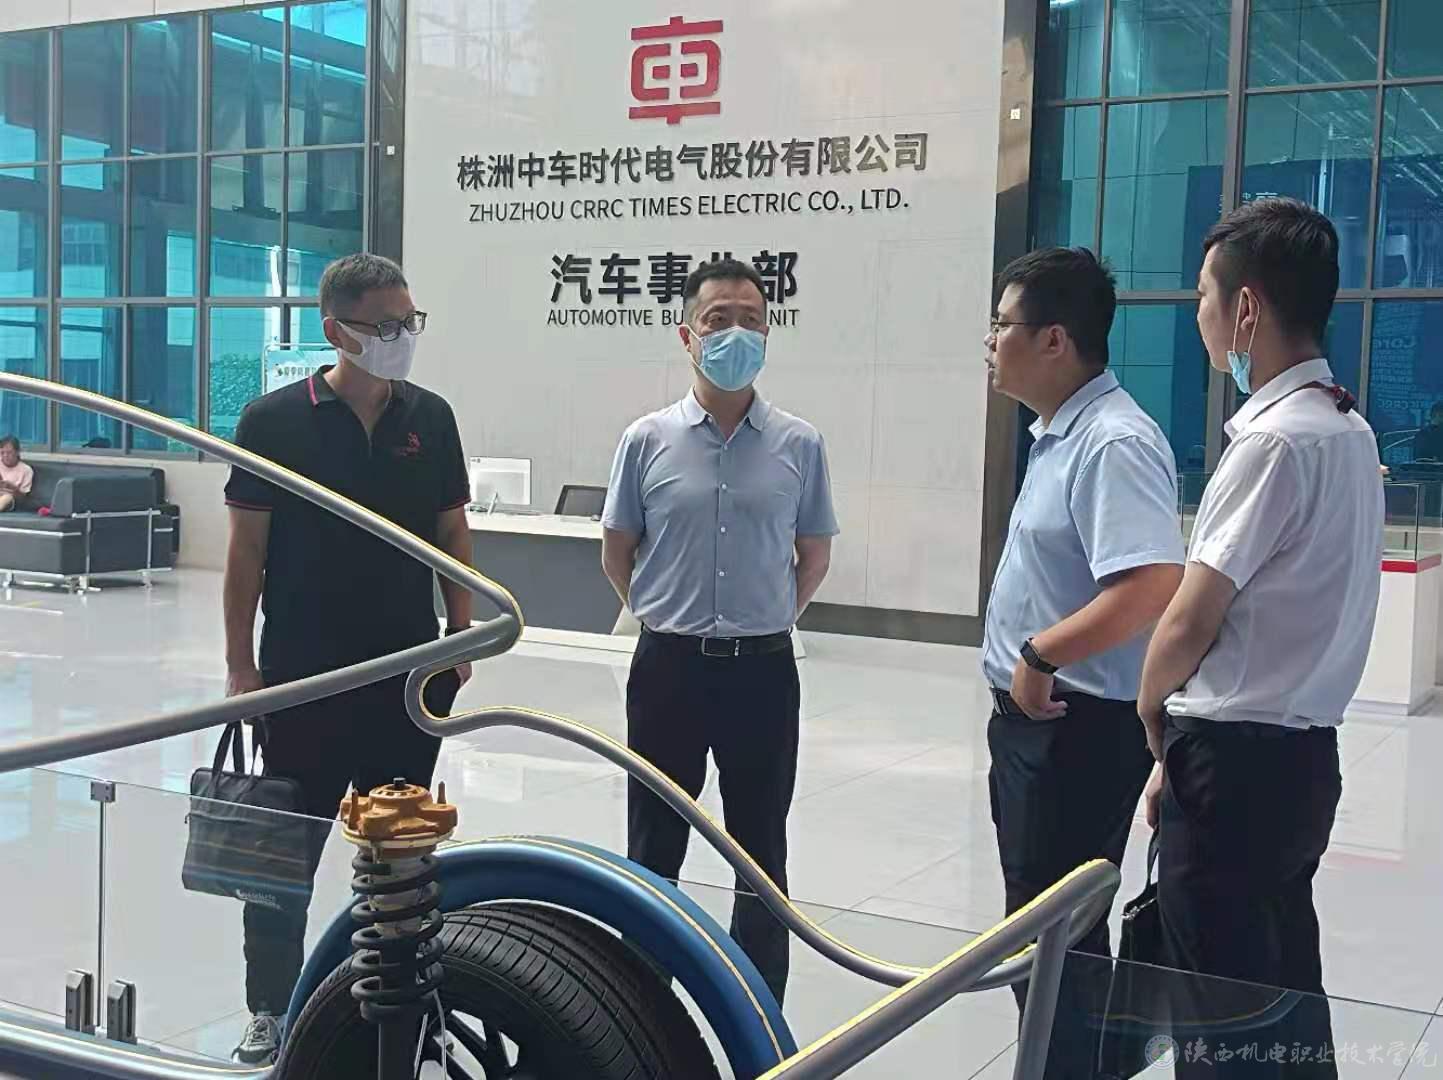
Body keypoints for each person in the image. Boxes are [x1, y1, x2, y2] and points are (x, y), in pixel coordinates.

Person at [1138, 198, 1383, 1079]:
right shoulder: (1346, 429)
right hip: (1302, 760)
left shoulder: (1272, 443)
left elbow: (1190, 615)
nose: (1199, 317)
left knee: (1216, 1013)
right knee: (1283, 990)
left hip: (1230, 770)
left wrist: (1152, 710)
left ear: (1244, 309)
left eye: (1204, 297)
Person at [222, 253, 476, 1064]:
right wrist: (241, 668)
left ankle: (399, 1005)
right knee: (283, 854)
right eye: (385, 325)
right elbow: (245, 552)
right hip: (304, 675)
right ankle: (271, 1008)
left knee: (399, 854)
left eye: (410, 321)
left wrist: (460, 630)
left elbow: (451, 528)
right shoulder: (272, 421)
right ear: (335, 329)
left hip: (405, 676)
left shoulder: (430, 418)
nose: (402, 336)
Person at [600, 257, 837, 1005]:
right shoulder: (646, 439)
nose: (736, 333)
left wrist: (767, 616)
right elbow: (617, 551)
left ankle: (759, 1011)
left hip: (762, 670)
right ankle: (642, 1006)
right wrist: (664, 612)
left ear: (768, 333)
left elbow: (813, 553)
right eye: (718, 319)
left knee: (760, 849)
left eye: (751, 320)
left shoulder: (799, 443)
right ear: (686, 335)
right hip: (667, 667)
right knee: (654, 842)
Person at [981, 247, 1185, 1077]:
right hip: (1042, 726)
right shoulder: (1060, 436)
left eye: (1001, 324)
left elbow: (1150, 583)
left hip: (1075, 729)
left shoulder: (1112, 441)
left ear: (1053, 340)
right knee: (1042, 934)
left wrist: (1039, 654)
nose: (990, 341)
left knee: (1054, 938)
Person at [0, 436, 33, 512]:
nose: (5, 455)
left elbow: (23, 498)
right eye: (2, 453)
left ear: (17, 452)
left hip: (9, 498)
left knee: (7, 498)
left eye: (9, 452)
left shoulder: (26, 470)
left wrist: (13, 488)